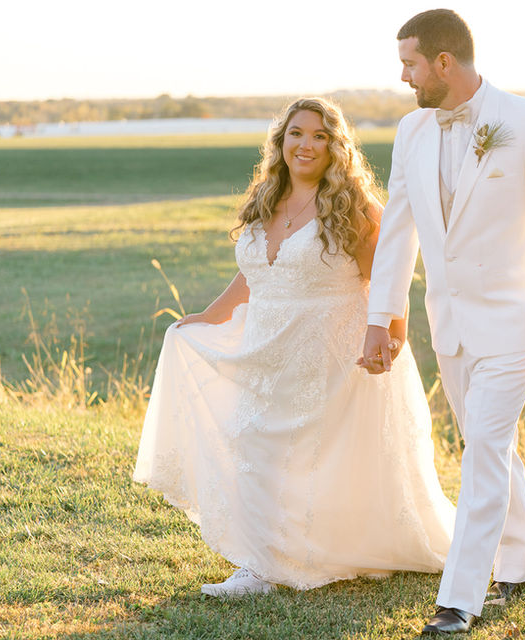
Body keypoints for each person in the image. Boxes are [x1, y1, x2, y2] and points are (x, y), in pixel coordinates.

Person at [133, 97, 455, 597]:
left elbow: (389, 278)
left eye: (320, 136)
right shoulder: (266, 197)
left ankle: (314, 554)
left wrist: (393, 337)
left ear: (336, 146)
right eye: (296, 134)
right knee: (255, 443)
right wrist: (207, 317)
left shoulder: (355, 206)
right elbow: (256, 274)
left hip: (331, 349)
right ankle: (259, 564)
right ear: (280, 141)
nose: (306, 145)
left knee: (317, 454)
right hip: (265, 347)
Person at [359, 9, 525, 635]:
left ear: (443, 62)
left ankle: (458, 599)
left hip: (518, 322)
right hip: (450, 324)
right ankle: (522, 563)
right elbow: (400, 229)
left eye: (409, 64)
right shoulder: (412, 131)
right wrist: (382, 315)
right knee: (489, 446)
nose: (403, 77)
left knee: (484, 447)